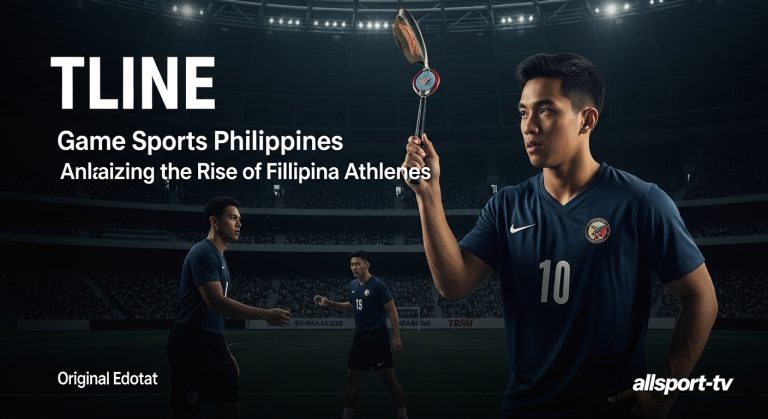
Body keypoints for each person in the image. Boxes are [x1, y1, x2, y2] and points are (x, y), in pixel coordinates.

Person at [401, 53, 718, 419]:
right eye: (523, 112)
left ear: (587, 120)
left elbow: (702, 299)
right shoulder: (507, 205)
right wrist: (428, 195)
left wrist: (664, 391)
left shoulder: (641, 201)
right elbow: (452, 283)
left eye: (545, 110)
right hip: (523, 409)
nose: (528, 126)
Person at [167, 196, 292, 419]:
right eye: (233, 218)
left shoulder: (220, 258)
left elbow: (213, 313)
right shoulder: (203, 252)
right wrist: (265, 314)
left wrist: (225, 350)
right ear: (214, 221)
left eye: (240, 219)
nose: (239, 223)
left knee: (230, 408)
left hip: (213, 342)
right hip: (191, 342)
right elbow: (216, 302)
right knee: (184, 411)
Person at [313, 251, 408, 419]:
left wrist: (397, 336)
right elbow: (349, 307)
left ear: (367, 265)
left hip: (378, 337)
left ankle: (402, 414)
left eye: (358, 264)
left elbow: (392, 310)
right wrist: (328, 303)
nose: (354, 267)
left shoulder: (377, 285)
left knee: (388, 377)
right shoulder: (352, 286)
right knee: (351, 375)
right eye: (352, 264)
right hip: (360, 338)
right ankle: (347, 415)